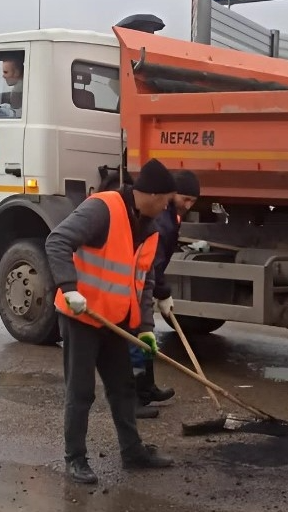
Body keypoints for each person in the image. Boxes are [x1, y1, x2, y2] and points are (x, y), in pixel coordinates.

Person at [45, 158, 177, 484]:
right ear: (149, 194)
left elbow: (143, 282)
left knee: (123, 388)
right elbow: (57, 241)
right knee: (81, 391)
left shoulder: (150, 230)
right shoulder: (103, 209)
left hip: (114, 320)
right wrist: (69, 288)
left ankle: (133, 452)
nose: (166, 207)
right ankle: (75, 459)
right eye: (164, 200)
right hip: (82, 315)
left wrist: (145, 329)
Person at [128, 169, 201, 418]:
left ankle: (147, 389)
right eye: (185, 199)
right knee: (138, 340)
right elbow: (153, 262)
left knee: (148, 336)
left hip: (146, 284)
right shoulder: (161, 220)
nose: (188, 206)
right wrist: (163, 291)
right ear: (172, 195)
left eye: (193, 201)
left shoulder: (171, 218)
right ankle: (134, 400)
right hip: (137, 287)